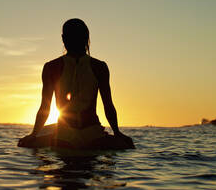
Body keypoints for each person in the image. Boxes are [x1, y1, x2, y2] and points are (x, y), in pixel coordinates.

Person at [18, 18, 134, 149]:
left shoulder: (51, 67)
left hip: (64, 136)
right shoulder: (100, 66)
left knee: (23, 144)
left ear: (63, 38)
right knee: (128, 145)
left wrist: (34, 135)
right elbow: (108, 106)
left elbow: (45, 107)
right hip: (93, 135)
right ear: (86, 38)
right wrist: (117, 133)